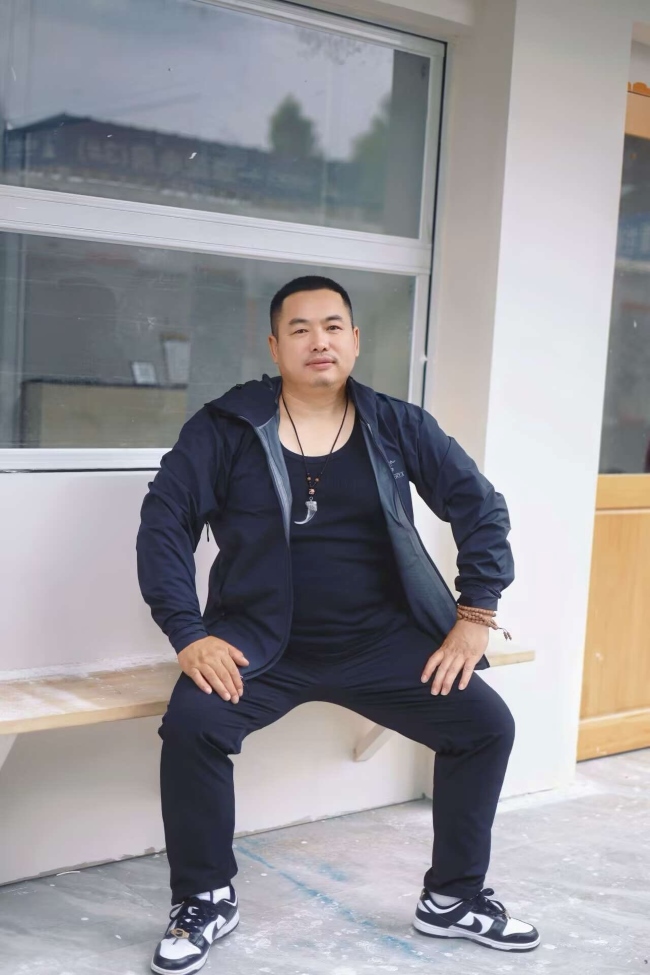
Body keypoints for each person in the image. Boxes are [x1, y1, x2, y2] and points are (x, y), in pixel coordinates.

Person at [137, 275, 540, 975]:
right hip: (259, 641)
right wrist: (189, 633)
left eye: (332, 326)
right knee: (194, 726)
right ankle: (205, 896)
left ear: (354, 340)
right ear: (275, 346)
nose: (317, 341)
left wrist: (476, 614)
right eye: (299, 329)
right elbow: (164, 523)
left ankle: (453, 897)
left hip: (380, 641)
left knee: (484, 725)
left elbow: (480, 505)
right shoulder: (227, 426)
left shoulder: (396, 424)